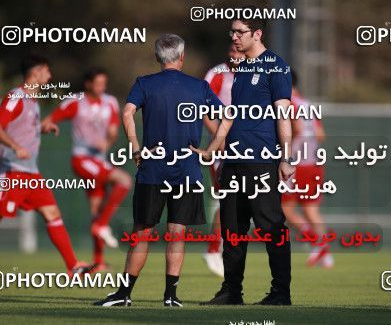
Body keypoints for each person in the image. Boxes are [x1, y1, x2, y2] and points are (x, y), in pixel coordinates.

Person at [93, 34, 231, 307]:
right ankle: (171, 296)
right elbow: (228, 115)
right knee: (177, 233)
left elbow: (127, 112)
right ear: (182, 57)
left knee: (142, 233)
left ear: (157, 57)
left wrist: (134, 146)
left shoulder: (145, 84)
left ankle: (124, 294)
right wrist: (211, 150)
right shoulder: (199, 87)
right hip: (188, 171)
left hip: (153, 169)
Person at [196, 9, 295, 306]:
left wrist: (286, 157)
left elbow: (283, 115)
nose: (234, 37)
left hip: (261, 161)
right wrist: (214, 148)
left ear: (257, 34)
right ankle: (231, 291)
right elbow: (231, 117)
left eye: (240, 32)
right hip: (233, 162)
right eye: (232, 32)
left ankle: (280, 293)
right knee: (232, 229)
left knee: (271, 227)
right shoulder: (240, 71)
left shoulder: (276, 67)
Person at [0, 55, 92, 276]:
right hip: (11, 171)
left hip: (30, 173)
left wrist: (41, 128)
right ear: (37, 72)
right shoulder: (16, 97)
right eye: (47, 71)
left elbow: (20, 128)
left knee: (52, 213)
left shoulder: (33, 101)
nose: (50, 76)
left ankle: (73, 266)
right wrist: (15, 147)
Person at [41, 67, 132, 271]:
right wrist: (47, 126)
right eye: (97, 83)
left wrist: (107, 143)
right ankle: (102, 225)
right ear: (88, 84)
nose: (101, 87)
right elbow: (49, 120)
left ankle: (98, 261)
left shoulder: (110, 102)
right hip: (82, 159)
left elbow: (112, 132)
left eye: (104, 83)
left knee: (97, 209)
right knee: (124, 180)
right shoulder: (75, 102)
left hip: (99, 160)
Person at [281, 70, 333, 268]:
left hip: (294, 163)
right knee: (311, 210)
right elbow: (320, 135)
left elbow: (298, 129)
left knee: (284, 210)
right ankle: (325, 254)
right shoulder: (308, 104)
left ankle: (316, 242)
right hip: (313, 162)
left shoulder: (289, 102)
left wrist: (285, 151)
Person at [202, 42, 244, 278]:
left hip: (245, 146)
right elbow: (203, 109)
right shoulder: (218, 74)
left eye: (238, 51)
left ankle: (223, 248)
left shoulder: (253, 74)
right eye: (231, 51)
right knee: (226, 198)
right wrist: (219, 137)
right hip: (222, 147)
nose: (234, 54)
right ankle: (213, 249)